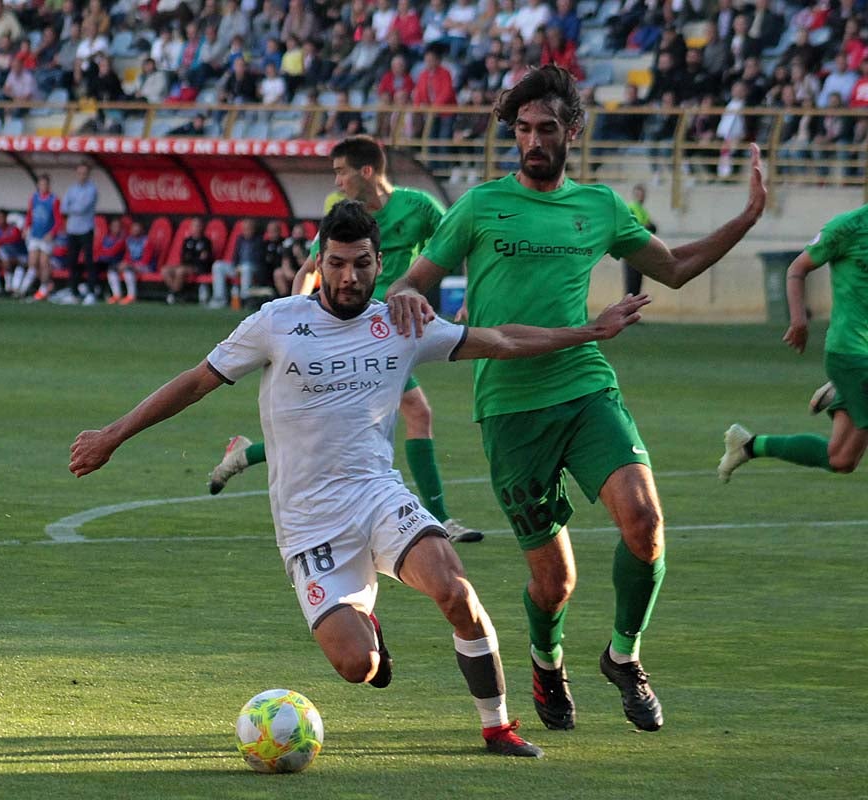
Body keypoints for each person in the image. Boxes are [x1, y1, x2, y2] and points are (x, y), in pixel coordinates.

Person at [70, 200, 650, 760]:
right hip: (308, 524)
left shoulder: (399, 323)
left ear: (379, 264)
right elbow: (196, 382)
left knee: (456, 590)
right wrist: (112, 435)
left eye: (363, 264)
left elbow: (498, 341)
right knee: (358, 667)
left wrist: (589, 332)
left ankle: (498, 728)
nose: (349, 278)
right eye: (338, 263)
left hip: (378, 496)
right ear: (319, 263)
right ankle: (366, 621)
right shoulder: (276, 323)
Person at [385, 66, 766, 734]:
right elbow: (410, 284)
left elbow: (672, 268)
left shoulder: (600, 208)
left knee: (645, 521)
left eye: (546, 129)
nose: (533, 140)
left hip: (586, 385)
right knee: (554, 582)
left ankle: (624, 655)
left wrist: (748, 216)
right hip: (508, 410)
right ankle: (546, 660)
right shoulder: (479, 206)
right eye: (523, 129)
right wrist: (410, 294)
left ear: (572, 133)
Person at [209, 135, 484, 545]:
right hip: (350, 332)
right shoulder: (344, 219)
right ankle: (440, 517)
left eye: (341, 171)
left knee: (340, 424)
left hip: (392, 332)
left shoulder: (419, 208)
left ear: (367, 172)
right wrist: (296, 318)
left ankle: (244, 454)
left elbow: (456, 246)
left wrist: (468, 297)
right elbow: (309, 271)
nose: (337, 181)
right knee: (409, 414)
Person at [719, 203, 868, 481]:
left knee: (841, 458)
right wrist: (799, 320)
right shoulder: (848, 227)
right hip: (852, 352)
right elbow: (797, 268)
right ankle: (845, 384)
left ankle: (749, 445)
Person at [59, 163, 100, 304]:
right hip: (72, 229)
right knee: (72, 261)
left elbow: (83, 207)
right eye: (80, 172)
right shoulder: (72, 189)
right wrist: (72, 207)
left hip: (86, 229)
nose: (82, 175)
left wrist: (72, 207)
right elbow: (64, 207)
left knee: (89, 261)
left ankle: (91, 292)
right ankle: (74, 292)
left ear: (88, 174)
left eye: (84, 173)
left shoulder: (92, 189)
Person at [17, 174, 61, 300]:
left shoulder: (54, 200)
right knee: (32, 263)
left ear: (49, 186)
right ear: (38, 185)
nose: (43, 187)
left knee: (44, 263)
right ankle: (23, 289)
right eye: (41, 184)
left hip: (46, 237)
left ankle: (43, 289)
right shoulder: (34, 198)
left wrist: (52, 233)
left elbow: (58, 221)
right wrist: (26, 228)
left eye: (45, 184)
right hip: (35, 235)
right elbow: (30, 214)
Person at [161, 217, 213, 305]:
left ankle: (173, 294)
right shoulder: (187, 240)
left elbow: (203, 259)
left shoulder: (206, 241)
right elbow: (184, 256)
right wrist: (194, 256)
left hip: (198, 268)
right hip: (185, 265)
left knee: (180, 271)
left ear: (202, 227)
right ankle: (176, 293)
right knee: (165, 270)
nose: (196, 228)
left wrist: (192, 257)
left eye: (198, 226)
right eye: (194, 226)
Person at [622, 184, 657, 297]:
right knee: (632, 287)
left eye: (642, 194)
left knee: (637, 287)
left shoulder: (642, 210)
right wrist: (646, 227)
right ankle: (628, 313)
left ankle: (633, 312)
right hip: (631, 252)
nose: (641, 197)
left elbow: (652, 228)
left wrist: (646, 227)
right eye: (638, 194)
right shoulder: (631, 207)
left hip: (640, 252)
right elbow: (635, 228)